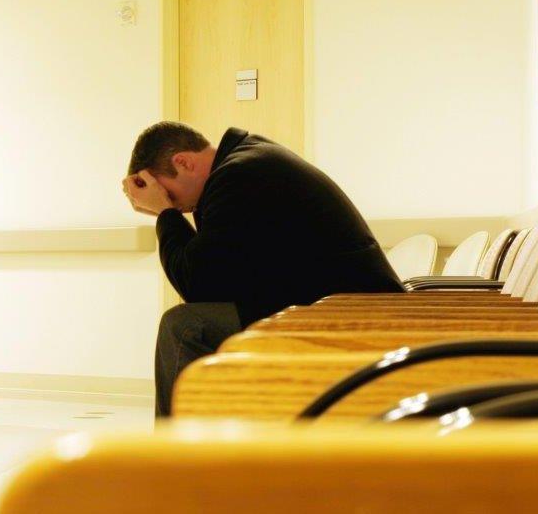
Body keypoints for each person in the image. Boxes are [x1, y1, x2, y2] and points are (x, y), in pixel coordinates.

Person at [122, 122, 403, 417]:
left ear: (184, 162)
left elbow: (196, 284)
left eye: (171, 196)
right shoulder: (248, 165)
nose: (179, 208)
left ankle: (178, 458)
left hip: (349, 315)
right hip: (333, 305)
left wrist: (165, 215)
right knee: (197, 322)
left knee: (184, 326)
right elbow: (215, 278)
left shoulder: (239, 176)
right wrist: (169, 210)